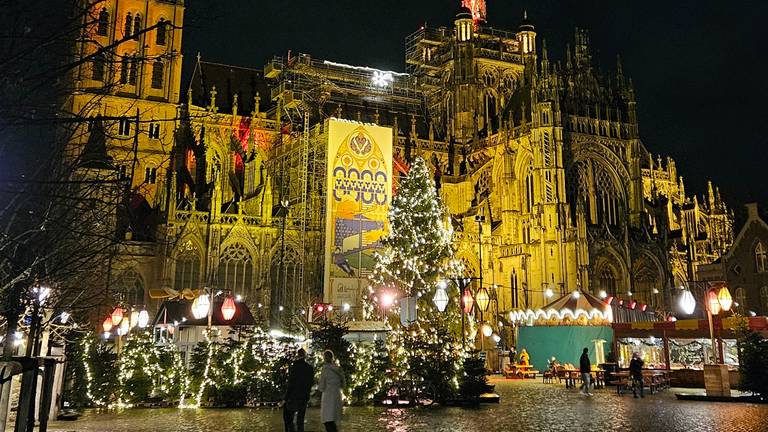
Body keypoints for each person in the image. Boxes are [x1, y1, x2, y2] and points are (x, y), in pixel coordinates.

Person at [283, 348, 314, 432]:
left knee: (290, 419)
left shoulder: (294, 367)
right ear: (305, 356)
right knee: (300, 420)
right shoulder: (309, 368)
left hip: (294, 396)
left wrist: (286, 397)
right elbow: (310, 383)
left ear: (298, 355)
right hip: (303, 396)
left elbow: (291, 383)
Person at [318, 350, 345, 432]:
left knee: (327, 420)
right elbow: (343, 383)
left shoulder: (325, 369)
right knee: (333, 419)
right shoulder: (338, 369)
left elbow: (321, 386)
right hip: (337, 395)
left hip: (328, 396)